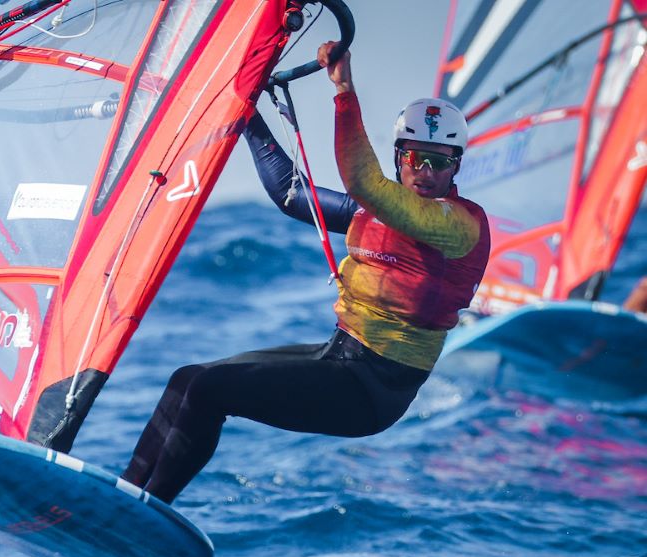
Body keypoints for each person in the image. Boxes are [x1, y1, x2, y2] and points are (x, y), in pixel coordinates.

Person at [121, 42, 491, 504]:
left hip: (372, 390)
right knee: (186, 379)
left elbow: (362, 181)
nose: (426, 171)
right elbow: (291, 193)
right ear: (400, 157)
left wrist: (343, 89)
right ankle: (122, 497)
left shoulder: (459, 225)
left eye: (440, 161)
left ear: (456, 166)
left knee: (210, 390)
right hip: (337, 357)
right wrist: (244, 110)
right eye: (416, 157)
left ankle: (148, 514)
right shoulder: (378, 213)